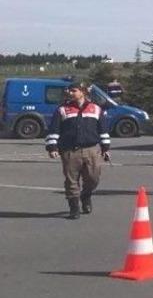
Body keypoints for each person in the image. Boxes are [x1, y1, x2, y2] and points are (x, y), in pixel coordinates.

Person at [45, 82, 111, 219]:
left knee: (93, 179)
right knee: (71, 181)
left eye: (73, 90)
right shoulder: (62, 110)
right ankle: (74, 208)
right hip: (70, 151)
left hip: (92, 150)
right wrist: (52, 147)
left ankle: (86, 196)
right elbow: (54, 130)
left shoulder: (96, 109)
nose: (69, 92)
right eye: (68, 90)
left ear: (83, 92)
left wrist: (105, 148)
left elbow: (103, 130)